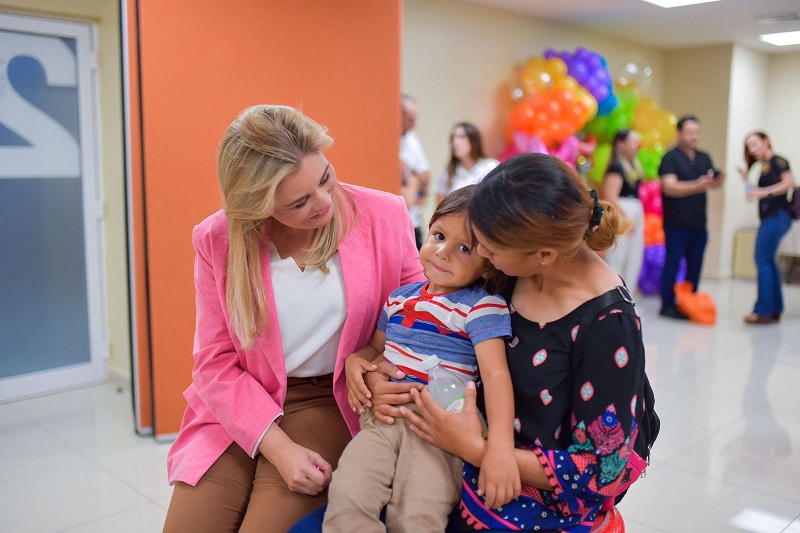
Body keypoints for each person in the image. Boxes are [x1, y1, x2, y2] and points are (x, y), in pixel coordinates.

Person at [162, 105, 425, 533]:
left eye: (325, 177)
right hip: (239, 402)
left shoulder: (383, 214)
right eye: (299, 202)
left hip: (330, 398)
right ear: (257, 207)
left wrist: (375, 365)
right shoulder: (218, 237)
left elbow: (419, 317)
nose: (324, 202)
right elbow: (214, 363)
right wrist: (279, 449)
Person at [366, 153, 648, 532]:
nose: (482, 255)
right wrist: (371, 367)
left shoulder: (608, 323)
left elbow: (601, 471)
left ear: (544, 255)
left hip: (533, 487)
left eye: (490, 248)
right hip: (457, 441)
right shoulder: (511, 269)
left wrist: (479, 450)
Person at [323, 186, 519, 532]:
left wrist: (498, 447)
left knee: (417, 514)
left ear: (489, 265)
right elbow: (376, 349)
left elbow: (495, 375)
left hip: (440, 429)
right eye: (439, 236)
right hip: (383, 418)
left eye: (464, 248)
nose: (442, 253)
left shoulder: (482, 306)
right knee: (348, 495)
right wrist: (355, 362)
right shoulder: (399, 299)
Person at [657, 115, 725, 320]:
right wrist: (697, 185)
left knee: (695, 266)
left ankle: (689, 302)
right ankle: (667, 305)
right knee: (672, 264)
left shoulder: (704, 157)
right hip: (676, 223)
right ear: (679, 134)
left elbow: (710, 183)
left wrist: (717, 181)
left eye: (697, 132)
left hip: (699, 224)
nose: (694, 137)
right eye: (689, 132)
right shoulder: (670, 158)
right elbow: (669, 187)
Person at [739, 131, 795, 324]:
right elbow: (757, 191)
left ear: (766, 141)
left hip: (777, 216)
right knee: (768, 261)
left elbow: (789, 182)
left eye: (755, 144)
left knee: (761, 259)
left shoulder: (778, 161)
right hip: (772, 217)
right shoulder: (764, 166)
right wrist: (746, 180)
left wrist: (763, 192)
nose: (752, 150)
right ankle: (775, 309)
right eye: (749, 147)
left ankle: (762, 311)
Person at [602, 129, 645, 287]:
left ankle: (629, 291)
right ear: (621, 145)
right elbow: (610, 196)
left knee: (634, 257)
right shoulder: (617, 166)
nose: (637, 145)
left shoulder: (633, 166)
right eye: (633, 142)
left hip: (634, 209)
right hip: (622, 212)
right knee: (618, 256)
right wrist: (626, 218)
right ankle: (615, 291)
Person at [436, 122, 499, 204]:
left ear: (474, 141)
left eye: (461, 137)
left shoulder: (491, 167)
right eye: (453, 138)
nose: (455, 142)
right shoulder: (448, 172)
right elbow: (440, 206)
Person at [401, 94, 431, 248]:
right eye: (410, 119)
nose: (414, 125)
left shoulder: (411, 140)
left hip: (412, 223)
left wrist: (410, 173)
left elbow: (424, 176)